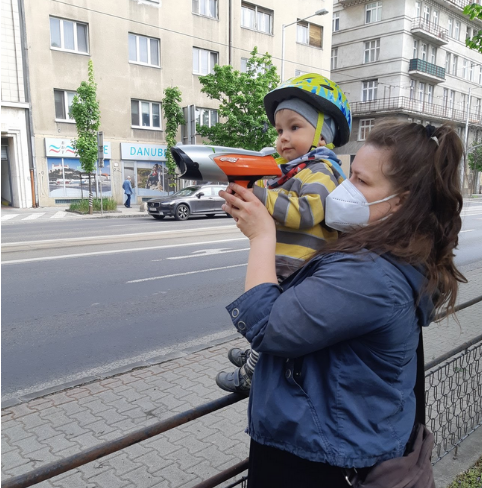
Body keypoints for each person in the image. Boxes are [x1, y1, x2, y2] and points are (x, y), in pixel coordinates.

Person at [219, 120, 465, 487]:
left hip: (322, 459)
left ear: (402, 201)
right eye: (350, 175)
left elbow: (270, 327)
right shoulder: (399, 252)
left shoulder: (372, 274)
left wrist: (261, 235)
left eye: (362, 182)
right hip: (341, 441)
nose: (345, 189)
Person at [216, 73, 352, 394]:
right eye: (279, 131)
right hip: (284, 268)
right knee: (273, 317)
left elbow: (305, 211)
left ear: (322, 136)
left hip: (306, 272)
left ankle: (253, 373)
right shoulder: (291, 172)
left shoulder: (323, 171)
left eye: (294, 127)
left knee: (275, 324)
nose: (283, 138)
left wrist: (261, 196)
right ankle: (256, 357)